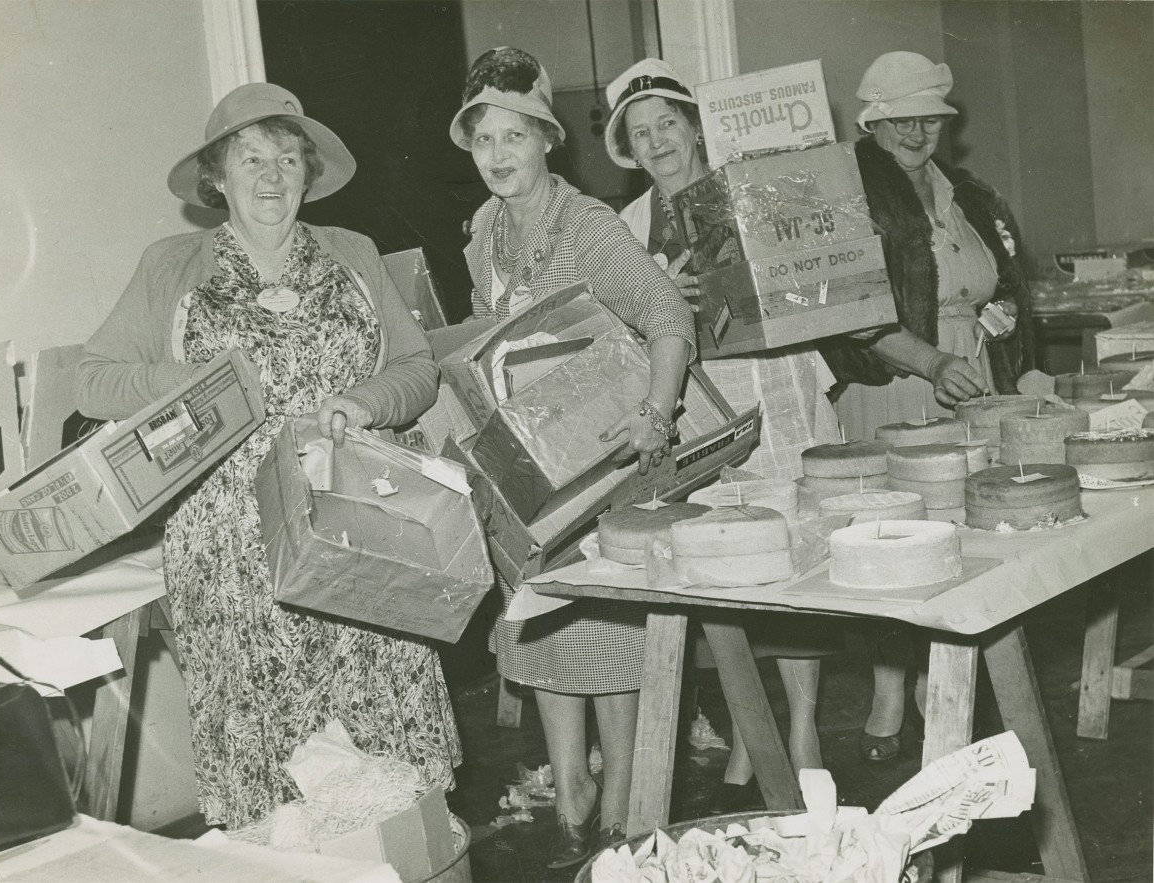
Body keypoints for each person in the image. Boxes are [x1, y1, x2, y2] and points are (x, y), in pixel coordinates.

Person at [76, 83, 460, 828]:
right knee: (271, 771)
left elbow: (417, 367)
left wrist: (365, 402)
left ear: (308, 174)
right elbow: (93, 381)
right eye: (250, 158)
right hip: (231, 552)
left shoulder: (351, 252)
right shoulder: (172, 266)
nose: (272, 176)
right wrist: (185, 381)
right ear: (217, 176)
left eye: (288, 157)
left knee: (386, 748)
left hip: (357, 525)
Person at [450, 47, 696, 868]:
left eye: (515, 135)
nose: (498, 154)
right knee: (539, 625)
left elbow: (667, 312)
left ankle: (624, 805)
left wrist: (656, 414)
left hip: (606, 453)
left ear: (548, 140)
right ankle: (572, 792)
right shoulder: (485, 233)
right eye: (484, 138)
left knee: (608, 631)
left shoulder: (585, 226)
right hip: (530, 466)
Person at [604, 58, 842, 812]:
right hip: (699, 402)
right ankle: (749, 721)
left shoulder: (758, 187)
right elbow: (613, 326)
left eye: (667, 124)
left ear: (695, 125)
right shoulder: (627, 227)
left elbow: (823, 276)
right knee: (725, 552)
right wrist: (656, 297)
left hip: (779, 381)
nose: (657, 142)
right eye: (640, 134)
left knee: (793, 541)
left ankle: (801, 718)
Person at [822, 52, 1034, 761]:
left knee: (962, 545)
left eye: (930, 116)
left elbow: (1000, 278)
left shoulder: (964, 192)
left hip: (970, 378)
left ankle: (942, 696)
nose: (918, 129)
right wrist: (935, 360)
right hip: (896, 382)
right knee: (894, 549)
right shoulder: (849, 194)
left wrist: (999, 312)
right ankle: (890, 699)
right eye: (901, 116)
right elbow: (849, 312)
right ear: (872, 120)